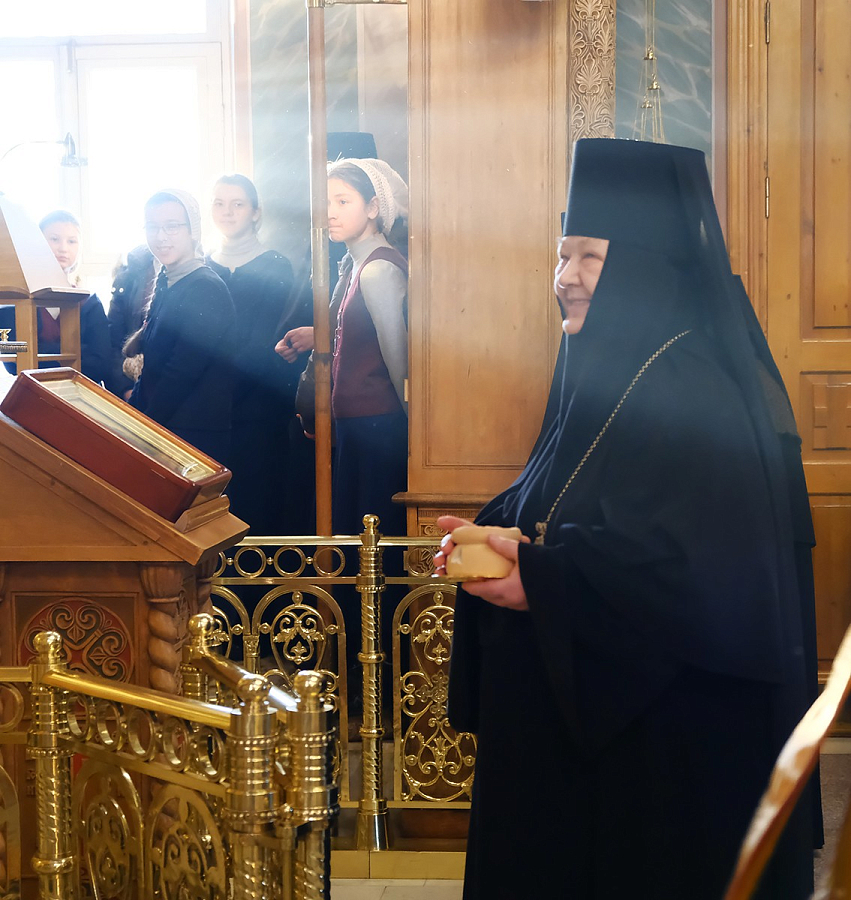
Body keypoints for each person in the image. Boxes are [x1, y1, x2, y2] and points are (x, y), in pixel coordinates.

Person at [434, 139, 819, 900]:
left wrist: (542, 578)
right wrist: (507, 537)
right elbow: (562, 496)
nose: (565, 278)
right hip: (597, 742)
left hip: (664, 755)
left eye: (590, 257)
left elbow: (691, 572)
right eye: (561, 255)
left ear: (645, 268)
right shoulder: (602, 363)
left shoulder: (691, 383)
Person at [277, 158, 409, 537]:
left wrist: (414, 434)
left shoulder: (378, 269)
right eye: (325, 202)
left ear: (373, 207)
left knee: (372, 539)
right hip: (355, 425)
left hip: (377, 428)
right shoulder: (355, 265)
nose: (329, 212)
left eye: (343, 201)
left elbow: (399, 362)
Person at [206, 173, 309, 534]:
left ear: (255, 212)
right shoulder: (203, 267)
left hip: (259, 405)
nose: (227, 211)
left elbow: (266, 338)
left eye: (237, 204)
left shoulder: (275, 264)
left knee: (258, 502)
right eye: (219, 203)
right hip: (213, 408)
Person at [127, 189, 235, 464]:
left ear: (192, 231)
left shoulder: (204, 287)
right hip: (166, 427)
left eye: (172, 226)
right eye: (152, 227)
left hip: (191, 433)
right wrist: (129, 415)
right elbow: (152, 370)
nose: (161, 236)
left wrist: (144, 426)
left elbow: (181, 373)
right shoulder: (169, 281)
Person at [0, 209, 111, 385]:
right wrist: (72, 355)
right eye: (54, 239)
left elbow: (101, 363)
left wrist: (40, 353)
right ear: (37, 243)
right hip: (28, 392)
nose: (63, 248)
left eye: (72, 241)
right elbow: (12, 361)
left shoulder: (89, 302)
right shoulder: (16, 301)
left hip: (79, 392)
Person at [107, 243, 156, 399]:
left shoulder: (201, 274)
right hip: (133, 386)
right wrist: (125, 389)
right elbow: (115, 340)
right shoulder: (130, 275)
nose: (162, 236)